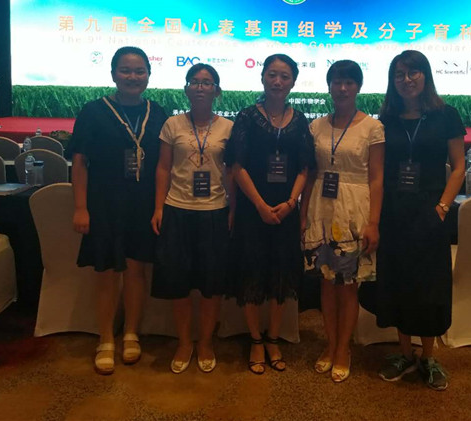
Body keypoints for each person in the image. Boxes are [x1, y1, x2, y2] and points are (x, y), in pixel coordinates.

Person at [370, 50, 465, 391]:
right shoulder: (386, 119)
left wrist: (442, 208)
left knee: (430, 285)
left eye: (413, 73)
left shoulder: (446, 115)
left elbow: (459, 167)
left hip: (429, 211)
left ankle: (428, 356)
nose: (406, 80)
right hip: (394, 212)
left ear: (425, 75)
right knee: (398, 281)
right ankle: (405, 353)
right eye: (399, 74)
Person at [70, 46, 167, 375]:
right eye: (125, 70)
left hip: (143, 204)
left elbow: (165, 165)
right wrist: (80, 207)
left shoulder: (158, 112)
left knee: (137, 271)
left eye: (140, 71)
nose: (132, 76)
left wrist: (159, 206)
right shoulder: (93, 111)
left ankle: (131, 334)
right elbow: (80, 162)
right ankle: (105, 338)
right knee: (107, 273)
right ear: (113, 74)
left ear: (149, 75)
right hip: (104, 203)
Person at [225, 54, 315, 374]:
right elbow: (236, 166)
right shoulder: (247, 117)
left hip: (285, 210)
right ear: (262, 77)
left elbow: (305, 167)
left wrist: (291, 202)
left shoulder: (300, 120)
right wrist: (260, 206)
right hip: (253, 209)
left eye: (285, 76)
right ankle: (255, 339)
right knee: (251, 274)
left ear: (293, 81)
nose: (278, 81)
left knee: (280, 276)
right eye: (272, 75)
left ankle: (273, 337)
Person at [300, 60, 384, 383]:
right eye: (337, 81)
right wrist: (303, 213)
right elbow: (310, 174)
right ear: (329, 86)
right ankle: (330, 343)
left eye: (349, 82)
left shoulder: (372, 128)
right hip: (321, 208)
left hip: (354, 209)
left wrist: (373, 222)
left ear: (358, 87)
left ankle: (343, 349)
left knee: (348, 286)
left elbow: (376, 179)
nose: (343, 88)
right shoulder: (316, 126)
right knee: (326, 281)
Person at [150, 63, 234, 374]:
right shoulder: (172, 124)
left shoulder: (228, 127)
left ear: (217, 91)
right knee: (179, 283)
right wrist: (159, 208)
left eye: (207, 82)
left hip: (215, 211)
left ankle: (206, 342)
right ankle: (185, 342)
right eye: (195, 82)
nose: (200, 87)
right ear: (186, 89)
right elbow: (163, 168)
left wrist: (233, 209)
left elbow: (231, 173)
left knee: (212, 285)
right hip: (177, 209)